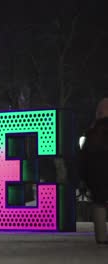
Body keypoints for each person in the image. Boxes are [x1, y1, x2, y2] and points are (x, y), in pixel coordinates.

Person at [80, 97, 108, 245]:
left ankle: (101, 237)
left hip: (96, 175)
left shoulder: (92, 133)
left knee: (99, 204)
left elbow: (84, 156)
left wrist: (84, 177)